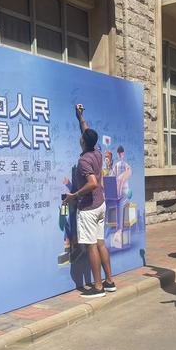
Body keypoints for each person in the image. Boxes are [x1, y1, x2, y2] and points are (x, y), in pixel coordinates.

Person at [63, 104, 116, 298]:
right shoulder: (97, 152)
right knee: (101, 244)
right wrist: (81, 117)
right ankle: (109, 281)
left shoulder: (84, 160)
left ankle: (98, 287)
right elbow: (87, 131)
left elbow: (92, 183)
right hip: (100, 204)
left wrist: (74, 195)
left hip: (88, 208)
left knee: (92, 245)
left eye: (82, 137)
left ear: (83, 142)